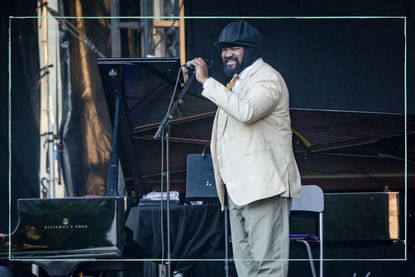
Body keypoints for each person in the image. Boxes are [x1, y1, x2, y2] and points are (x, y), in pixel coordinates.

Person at [187, 20, 301, 276]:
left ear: (250, 50)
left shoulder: (268, 79)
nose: (227, 54)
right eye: (224, 48)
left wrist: (206, 81)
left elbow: (247, 112)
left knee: (268, 265)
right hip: (238, 188)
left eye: (235, 48)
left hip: (263, 185)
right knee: (246, 267)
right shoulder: (236, 83)